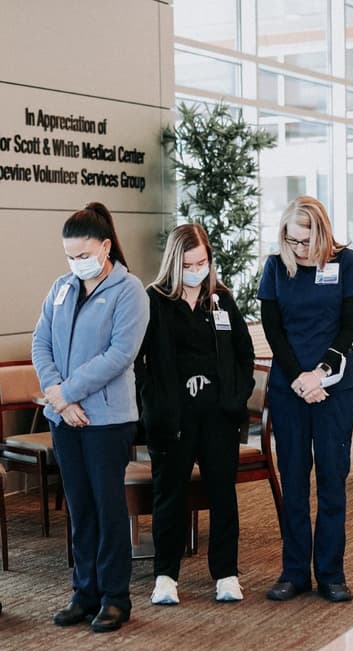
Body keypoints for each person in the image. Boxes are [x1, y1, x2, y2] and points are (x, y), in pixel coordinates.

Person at [32, 202, 149, 632]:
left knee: (107, 507)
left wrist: (68, 392)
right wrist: (59, 399)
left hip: (107, 419)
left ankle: (116, 597)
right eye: (69, 255)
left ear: (104, 246)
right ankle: (85, 592)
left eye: (83, 254)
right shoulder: (61, 287)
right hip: (65, 418)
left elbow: (120, 354)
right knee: (80, 509)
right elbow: (39, 343)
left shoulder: (128, 289)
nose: (76, 263)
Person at [136, 224, 255, 606]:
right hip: (172, 419)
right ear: (174, 262)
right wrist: (153, 401)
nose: (197, 269)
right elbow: (139, 360)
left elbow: (243, 352)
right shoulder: (154, 300)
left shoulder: (219, 299)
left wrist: (235, 398)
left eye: (202, 261)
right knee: (169, 496)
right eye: (188, 263)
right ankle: (166, 576)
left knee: (223, 495)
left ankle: (226, 573)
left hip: (218, 417)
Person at [259, 196, 353, 603]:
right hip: (290, 386)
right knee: (295, 480)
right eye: (292, 240)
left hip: (334, 386)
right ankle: (294, 572)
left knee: (332, 480)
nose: (300, 249)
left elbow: (347, 328)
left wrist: (319, 374)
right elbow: (273, 330)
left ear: (321, 233)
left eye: (306, 241)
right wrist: (300, 378)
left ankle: (331, 573)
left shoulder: (345, 262)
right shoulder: (275, 266)